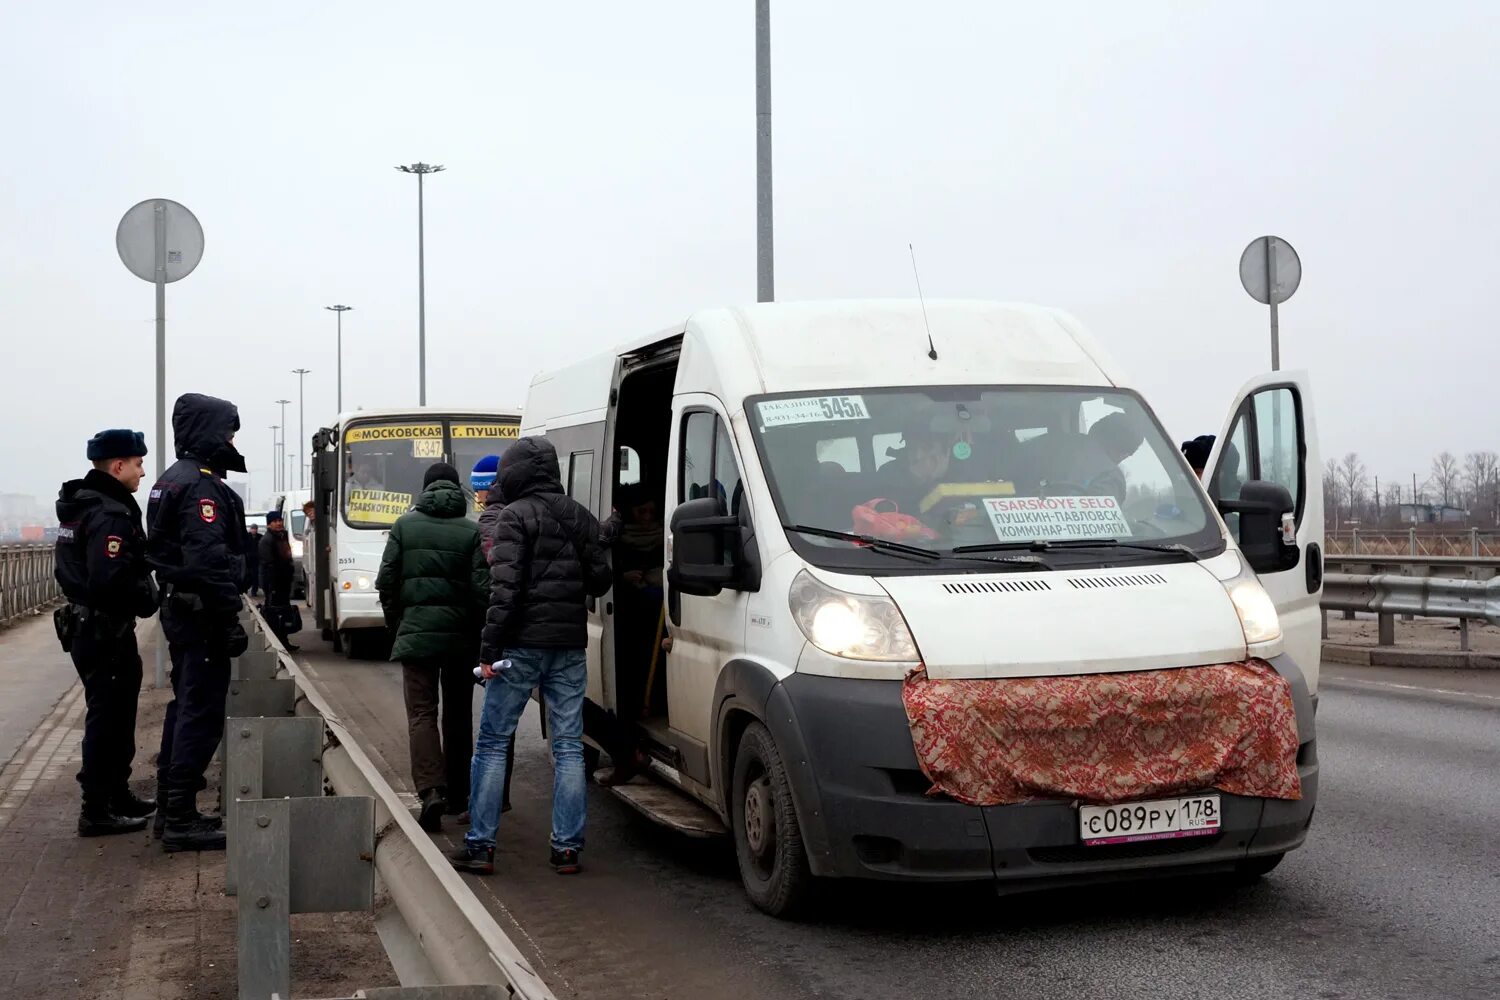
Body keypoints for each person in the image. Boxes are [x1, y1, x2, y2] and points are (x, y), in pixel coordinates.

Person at [452, 437, 612, 877]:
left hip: (519, 647)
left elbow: (504, 593)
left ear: (514, 473)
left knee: (491, 743)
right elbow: (600, 581)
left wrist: (488, 652)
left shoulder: (512, 518)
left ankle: (481, 846)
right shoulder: (579, 515)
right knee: (568, 747)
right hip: (568, 646)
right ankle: (566, 849)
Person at [146, 393, 250, 853]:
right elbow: (208, 559)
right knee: (201, 714)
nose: (230, 439)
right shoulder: (200, 487)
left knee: (185, 707)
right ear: (210, 431)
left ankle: (172, 807)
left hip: (184, 610)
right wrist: (228, 613)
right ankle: (181, 816)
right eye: (227, 431)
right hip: (201, 613)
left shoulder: (171, 480)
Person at [53, 429, 160, 837]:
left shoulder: (80, 506)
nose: (142, 471)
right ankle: (97, 809)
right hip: (104, 630)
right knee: (108, 721)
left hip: (88, 626)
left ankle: (116, 794)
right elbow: (109, 578)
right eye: (137, 464)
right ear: (118, 465)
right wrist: (145, 592)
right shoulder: (110, 513)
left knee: (115, 715)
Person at [376, 462, 488, 833]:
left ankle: (430, 790)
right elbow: (481, 592)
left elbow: (386, 582)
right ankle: (459, 794)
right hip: (460, 640)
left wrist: (399, 625)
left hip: (416, 636)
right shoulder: (471, 531)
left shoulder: (404, 527)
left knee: (421, 714)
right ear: (458, 490)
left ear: (424, 490)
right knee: (458, 715)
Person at [259, 510, 298, 651]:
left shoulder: (282, 537)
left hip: (283, 582)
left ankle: (284, 641)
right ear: (269, 524)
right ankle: (277, 644)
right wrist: (271, 586)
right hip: (274, 584)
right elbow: (268, 564)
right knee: (275, 615)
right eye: (275, 521)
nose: (278, 523)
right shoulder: (267, 540)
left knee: (283, 613)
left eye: (280, 520)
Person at [300, 500, 317, 607]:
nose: (310, 514)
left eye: (311, 511)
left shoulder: (324, 522)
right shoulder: (311, 526)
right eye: (307, 513)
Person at [244, 524, 261, 596]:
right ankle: (245, 589)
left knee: (255, 576)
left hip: (257, 560)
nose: (254, 530)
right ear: (250, 529)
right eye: (252, 528)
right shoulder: (246, 537)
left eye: (255, 529)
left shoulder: (260, 537)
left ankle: (254, 590)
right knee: (247, 575)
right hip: (248, 560)